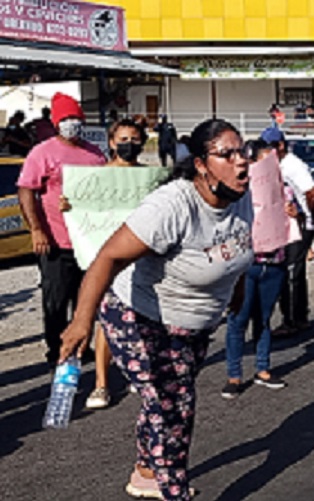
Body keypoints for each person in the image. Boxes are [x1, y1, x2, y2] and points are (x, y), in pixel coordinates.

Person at [58, 118, 254, 500]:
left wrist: (236, 295)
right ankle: (172, 488)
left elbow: (237, 249)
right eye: (226, 154)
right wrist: (81, 322)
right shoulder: (171, 206)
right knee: (173, 406)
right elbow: (108, 257)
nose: (241, 162)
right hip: (138, 316)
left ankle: (147, 471)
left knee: (162, 397)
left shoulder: (238, 194)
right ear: (200, 164)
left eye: (241, 150)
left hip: (194, 325)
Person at [58, 119, 149, 410]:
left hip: (143, 260)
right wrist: (69, 206)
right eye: (123, 139)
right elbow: (82, 213)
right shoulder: (96, 179)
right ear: (111, 143)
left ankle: (137, 372)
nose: (129, 145)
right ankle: (101, 383)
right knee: (107, 322)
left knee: (142, 319)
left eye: (135, 139)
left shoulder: (152, 178)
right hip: (107, 260)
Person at [16, 93, 106, 369]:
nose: (72, 125)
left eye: (76, 119)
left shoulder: (94, 153)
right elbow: (26, 191)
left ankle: (81, 343)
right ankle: (56, 349)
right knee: (55, 299)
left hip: (88, 241)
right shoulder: (42, 152)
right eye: (66, 120)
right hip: (56, 242)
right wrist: (37, 230)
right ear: (56, 123)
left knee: (86, 297)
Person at [222, 140, 299, 398]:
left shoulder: (284, 190)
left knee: (264, 319)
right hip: (247, 265)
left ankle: (263, 369)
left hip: (274, 263)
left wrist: (293, 213)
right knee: (238, 320)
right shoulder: (239, 191)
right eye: (263, 160)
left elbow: (294, 221)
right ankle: (234, 375)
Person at [259, 127, 314, 336]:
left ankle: (294, 320)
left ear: (280, 146)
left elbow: (312, 192)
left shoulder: (292, 165)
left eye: (270, 148)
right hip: (287, 224)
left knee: (293, 272)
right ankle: (296, 316)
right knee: (290, 271)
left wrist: (310, 218)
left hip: (302, 224)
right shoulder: (276, 165)